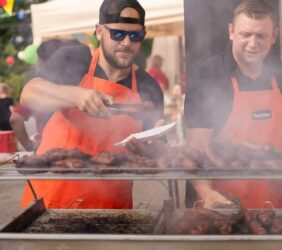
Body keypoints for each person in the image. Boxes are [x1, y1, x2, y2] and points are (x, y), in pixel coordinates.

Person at [20, 0, 164, 209]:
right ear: (99, 31)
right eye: (117, 34)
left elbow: (155, 145)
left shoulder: (148, 86)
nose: (126, 42)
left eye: (135, 35)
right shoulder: (73, 59)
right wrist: (76, 95)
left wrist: (156, 144)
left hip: (112, 212)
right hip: (51, 204)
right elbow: (28, 93)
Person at [184, 0, 282, 209]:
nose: (253, 44)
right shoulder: (208, 77)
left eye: (260, 36)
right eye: (245, 34)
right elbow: (196, 149)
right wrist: (207, 193)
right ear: (231, 31)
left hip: (275, 206)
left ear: (274, 36)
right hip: (221, 205)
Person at [10, 39, 66, 151]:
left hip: (47, 150)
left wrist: (29, 146)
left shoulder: (37, 87)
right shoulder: (80, 79)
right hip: (78, 152)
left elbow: (15, 119)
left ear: (41, 61)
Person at [0, 83, 16, 152]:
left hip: (0, 120)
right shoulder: (9, 99)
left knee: (2, 135)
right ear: (7, 90)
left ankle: (2, 149)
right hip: (8, 119)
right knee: (11, 135)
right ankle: (12, 148)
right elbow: (12, 110)